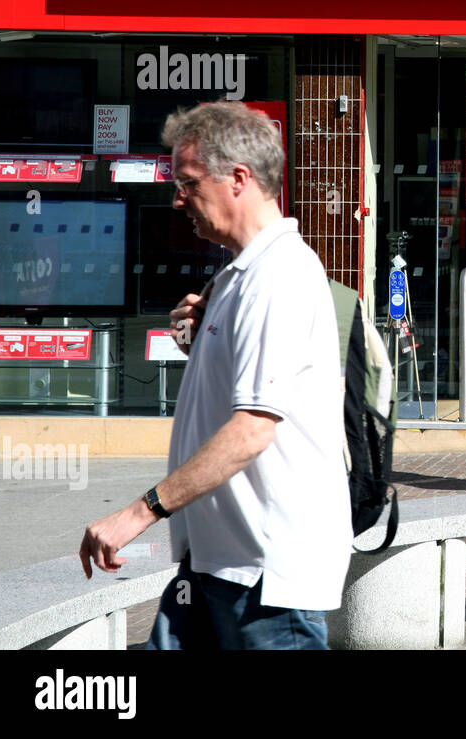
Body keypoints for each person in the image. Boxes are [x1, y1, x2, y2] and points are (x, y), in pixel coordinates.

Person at [78, 102, 352, 649]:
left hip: (264, 578)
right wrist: (199, 342)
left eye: (188, 182)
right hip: (217, 565)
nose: (177, 199)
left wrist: (139, 513)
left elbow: (253, 427)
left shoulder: (280, 276)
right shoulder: (238, 273)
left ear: (239, 179)